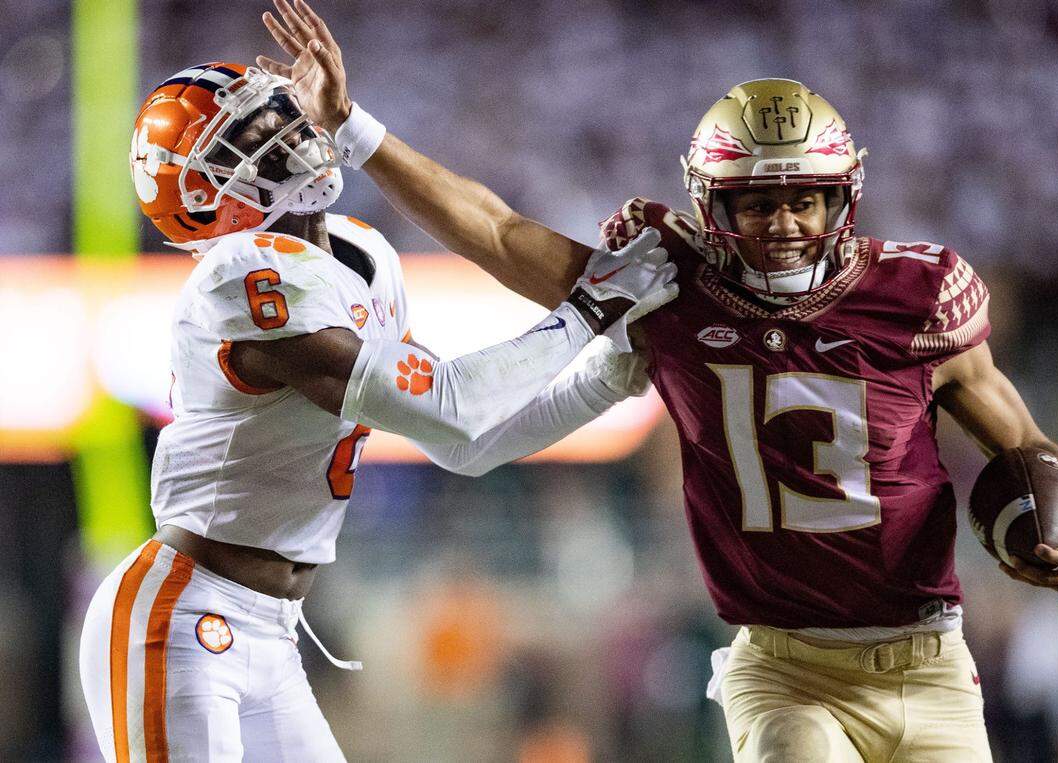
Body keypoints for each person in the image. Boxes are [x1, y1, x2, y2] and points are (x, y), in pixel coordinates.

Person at [256, 2, 1058, 760]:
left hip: (929, 658)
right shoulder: (670, 284)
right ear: (713, 207)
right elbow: (497, 230)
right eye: (756, 201)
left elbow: (1023, 445)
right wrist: (354, 128)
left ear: (844, 198)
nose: (784, 222)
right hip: (783, 667)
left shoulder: (916, 296)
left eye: (805, 199)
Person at [78, 59, 677, 761]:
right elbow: (454, 406)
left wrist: (604, 381)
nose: (291, 137)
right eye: (252, 137)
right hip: (181, 618)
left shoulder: (362, 252)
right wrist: (588, 310)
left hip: (273, 629)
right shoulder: (239, 277)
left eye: (282, 116)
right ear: (208, 193)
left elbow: (463, 442)